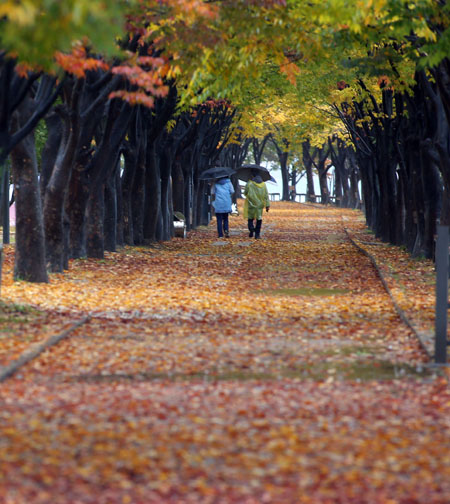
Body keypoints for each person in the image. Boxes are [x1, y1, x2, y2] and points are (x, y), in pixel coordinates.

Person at [243, 172, 270, 239]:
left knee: (250, 218)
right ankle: (257, 235)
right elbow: (266, 195)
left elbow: (245, 193)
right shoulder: (263, 185)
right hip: (260, 205)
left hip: (251, 204)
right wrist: (267, 205)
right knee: (259, 219)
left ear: (252, 176)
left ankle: (251, 229)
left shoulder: (249, 183)